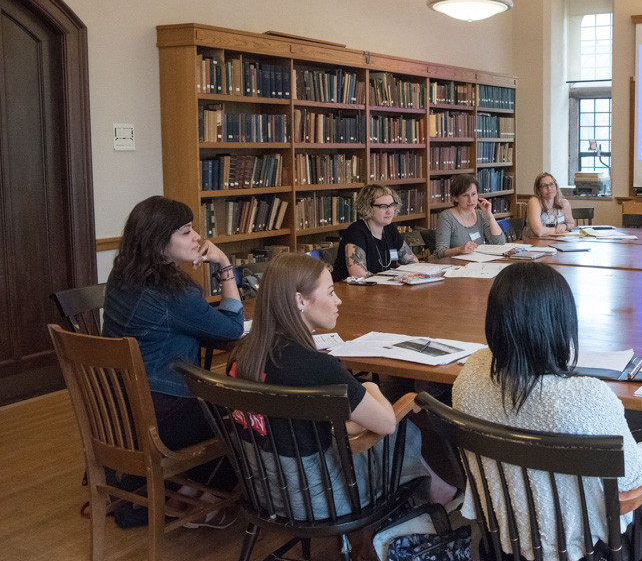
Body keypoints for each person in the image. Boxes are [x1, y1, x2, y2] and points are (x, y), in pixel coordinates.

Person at [452, 262, 642, 561]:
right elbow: (635, 475)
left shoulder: (471, 371)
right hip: (581, 554)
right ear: (560, 324)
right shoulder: (585, 397)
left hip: (503, 537)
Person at [228, 253, 419, 519]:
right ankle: (432, 506)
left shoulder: (242, 354)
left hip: (264, 493)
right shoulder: (314, 366)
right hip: (321, 500)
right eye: (330, 292)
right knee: (405, 432)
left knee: (356, 427)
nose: (338, 300)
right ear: (300, 300)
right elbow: (386, 423)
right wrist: (371, 388)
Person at [102, 196, 245, 525]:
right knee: (243, 414)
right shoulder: (173, 296)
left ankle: (191, 494)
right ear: (157, 240)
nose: (197, 237)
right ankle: (207, 499)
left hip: (119, 409)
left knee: (217, 403)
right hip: (160, 414)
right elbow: (233, 328)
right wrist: (224, 265)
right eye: (185, 232)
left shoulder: (120, 277)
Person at [332, 184, 418, 281]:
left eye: (392, 205)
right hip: (352, 291)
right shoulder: (356, 231)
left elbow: (412, 262)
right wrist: (392, 279)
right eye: (383, 206)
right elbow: (358, 274)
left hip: (383, 289)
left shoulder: (389, 228)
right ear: (367, 207)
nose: (389, 211)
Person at [434, 173, 505, 257]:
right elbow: (440, 252)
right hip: (455, 266)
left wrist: (489, 215)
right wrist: (459, 250)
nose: (471, 200)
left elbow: (499, 243)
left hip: (478, 264)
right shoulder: (446, 217)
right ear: (455, 198)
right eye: (465, 195)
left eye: (473, 194)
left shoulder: (480, 214)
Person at [525, 172, 576, 238]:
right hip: (535, 244)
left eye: (551, 184)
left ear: (556, 186)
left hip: (557, 243)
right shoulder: (534, 201)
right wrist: (557, 230)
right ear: (538, 190)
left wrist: (565, 226)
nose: (549, 188)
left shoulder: (564, 203)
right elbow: (538, 231)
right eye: (544, 186)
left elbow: (571, 224)